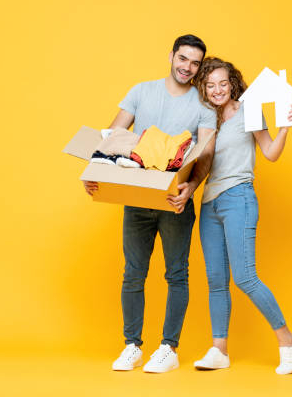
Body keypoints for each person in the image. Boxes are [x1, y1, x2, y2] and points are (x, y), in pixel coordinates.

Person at [83, 35, 217, 373]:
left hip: (174, 201)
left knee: (176, 274)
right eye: (183, 59)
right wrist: (95, 169)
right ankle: (132, 346)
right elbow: (113, 135)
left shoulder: (204, 106)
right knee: (133, 274)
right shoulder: (141, 91)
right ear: (171, 56)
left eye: (195, 63)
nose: (188, 67)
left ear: (200, 66)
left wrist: (191, 188)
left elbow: (205, 153)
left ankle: (169, 348)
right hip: (136, 197)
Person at [192, 57, 292, 374]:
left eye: (222, 83)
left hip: (238, 197)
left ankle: (288, 341)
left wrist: (285, 128)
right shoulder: (207, 119)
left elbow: (270, 152)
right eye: (210, 85)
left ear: (233, 83)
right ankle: (219, 351)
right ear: (203, 87)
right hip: (209, 203)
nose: (217, 90)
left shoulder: (248, 110)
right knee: (216, 282)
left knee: (244, 277)